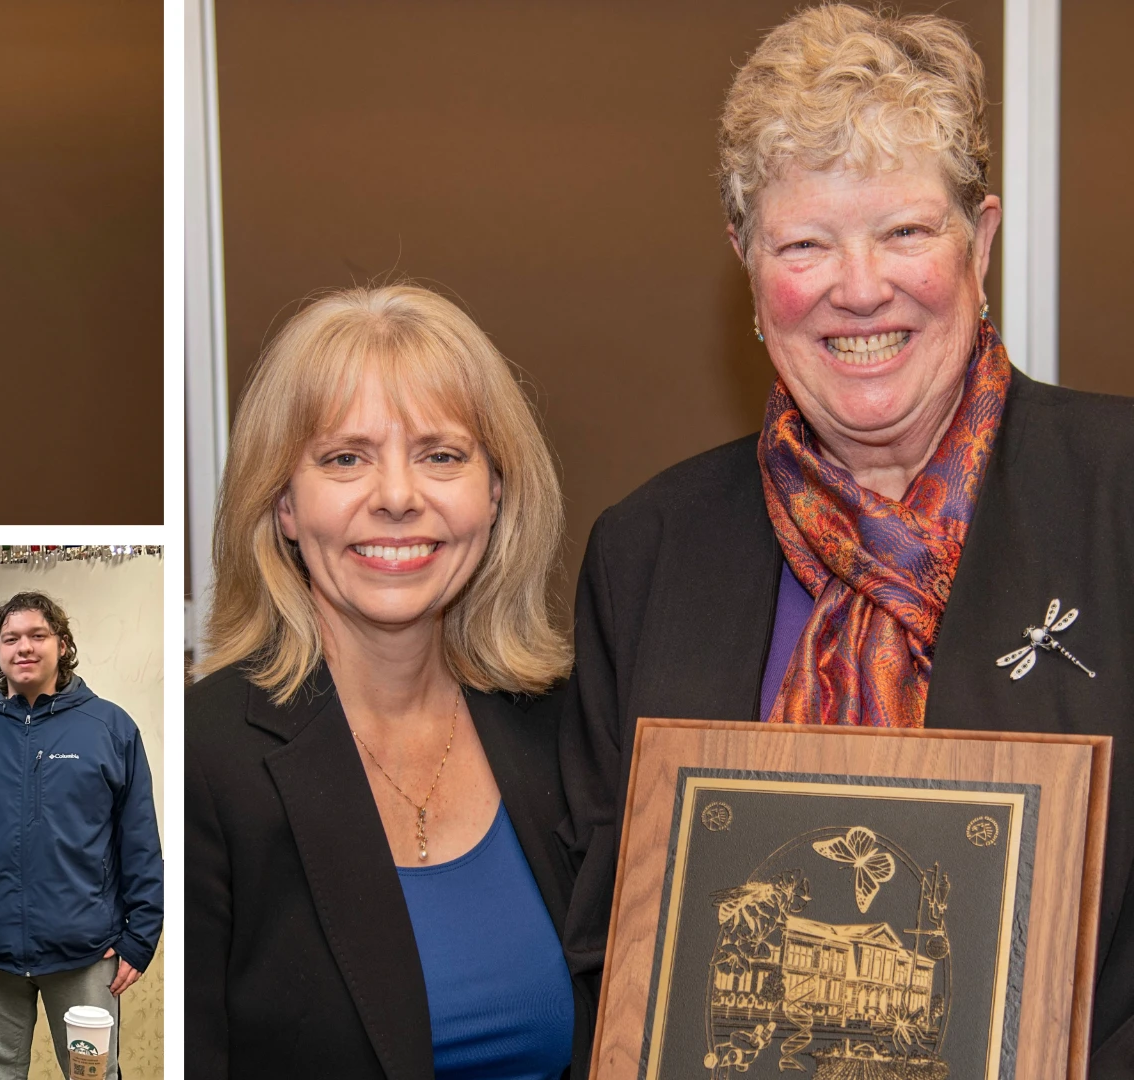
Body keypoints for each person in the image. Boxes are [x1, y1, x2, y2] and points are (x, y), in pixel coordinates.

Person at [556, 6, 1134, 1075]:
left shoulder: (1121, 499)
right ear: (746, 263)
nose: (859, 286)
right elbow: (606, 954)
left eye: (906, 232)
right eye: (806, 242)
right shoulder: (647, 554)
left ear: (983, 240)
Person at [186, 285, 587, 1079]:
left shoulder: (566, 729)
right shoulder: (206, 760)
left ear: (497, 492)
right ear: (284, 505)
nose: (399, 498)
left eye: (442, 455)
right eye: (345, 458)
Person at [0, 593, 162, 1080]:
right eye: (10, 638)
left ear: (61, 643)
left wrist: (140, 939)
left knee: (93, 1076)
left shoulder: (111, 728)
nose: (24, 648)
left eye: (38, 635)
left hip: (84, 952)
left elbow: (138, 840)